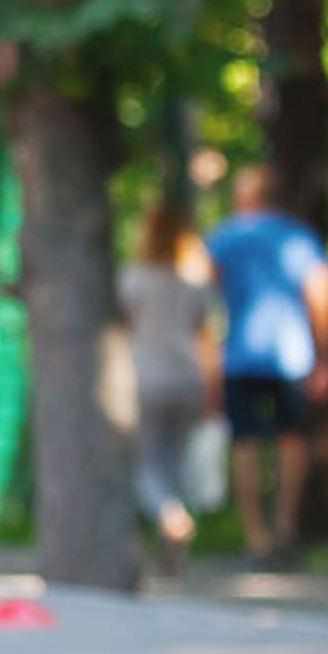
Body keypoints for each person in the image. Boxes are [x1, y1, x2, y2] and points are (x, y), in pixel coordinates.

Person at [207, 165, 328, 566]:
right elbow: (321, 295)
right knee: (291, 442)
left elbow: (200, 298)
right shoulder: (297, 237)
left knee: (244, 444)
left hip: (238, 356)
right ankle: (285, 531)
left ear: (244, 197)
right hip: (291, 355)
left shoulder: (223, 237)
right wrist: (324, 357)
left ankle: (256, 540)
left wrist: (207, 359)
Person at [118, 200, 218, 570]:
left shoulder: (134, 280)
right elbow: (205, 340)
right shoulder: (194, 284)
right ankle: (173, 538)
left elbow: (125, 330)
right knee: (175, 463)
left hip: (147, 379)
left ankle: (169, 516)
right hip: (187, 381)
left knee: (147, 463)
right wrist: (213, 387)